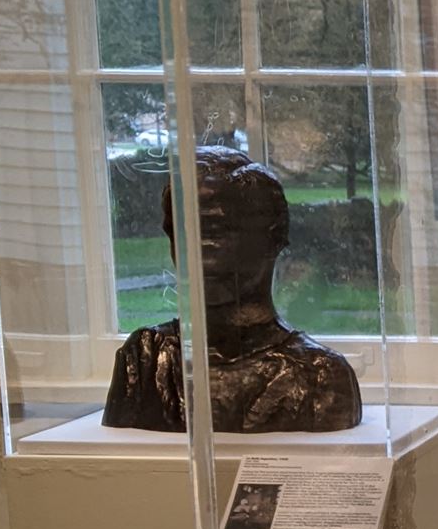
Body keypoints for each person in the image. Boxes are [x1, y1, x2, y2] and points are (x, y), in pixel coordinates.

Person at [103, 146, 363, 431]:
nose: (198, 254)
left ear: (273, 237)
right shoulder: (146, 359)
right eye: (183, 233)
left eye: (216, 232)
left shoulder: (320, 377)